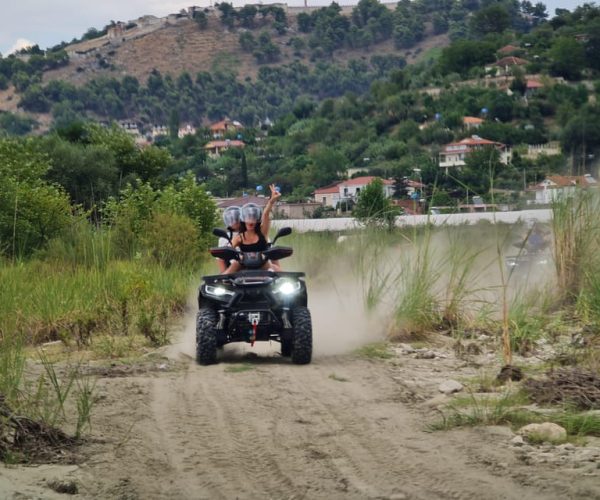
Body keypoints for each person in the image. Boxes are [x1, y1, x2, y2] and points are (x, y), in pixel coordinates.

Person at [224, 184, 281, 274]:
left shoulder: (263, 232)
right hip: (243, 265)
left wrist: (271, 201)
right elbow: (229, 250)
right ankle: (221, 283)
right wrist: (225, 251)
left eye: (254, 217)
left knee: (282, 275)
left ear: (258, 219)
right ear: (243, 219)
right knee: (233, 266)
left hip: (263, 264)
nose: (251, 221)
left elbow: (266, 214)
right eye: (248, 217)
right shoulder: (239, 237)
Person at [216, 206, 241, 273]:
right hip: (233, 268)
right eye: (231, 219)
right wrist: (224, 275)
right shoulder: (224, 238)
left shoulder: (250, 233)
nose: (234, 221)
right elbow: (220, 259)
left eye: (236, 218)